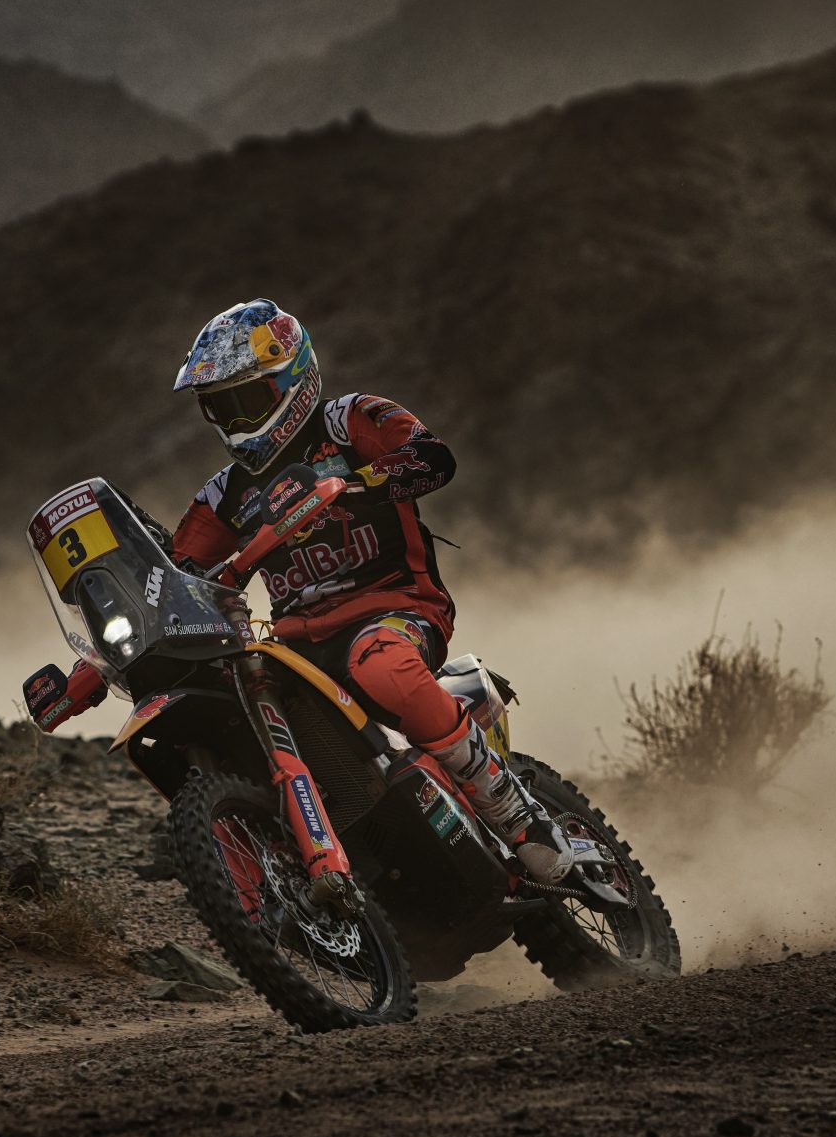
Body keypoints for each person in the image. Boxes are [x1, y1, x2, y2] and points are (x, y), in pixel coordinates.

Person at [44, 299, 583, 884]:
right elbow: (168, 580)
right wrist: (93, 667)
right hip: (296, 641)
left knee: (379, 663)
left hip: (397, 606)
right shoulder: (223, 495)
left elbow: (432, 457)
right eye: (218, 407)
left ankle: (515, 814)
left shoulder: (349, 420)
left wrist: (352, 483)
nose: (234, 420)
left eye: (245, 401)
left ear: (291, 380)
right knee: (236, 704)